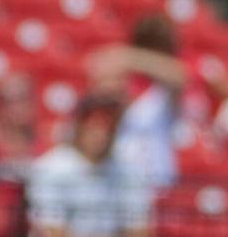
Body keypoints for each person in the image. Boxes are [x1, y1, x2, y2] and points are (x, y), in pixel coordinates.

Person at [27, 90, 153, 237]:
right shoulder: (50, 169)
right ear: (79, 126)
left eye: (108, 125)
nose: (101, 132)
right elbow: (52, 231)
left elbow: (138, 230)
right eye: (93, 124)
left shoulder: (130, 172)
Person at [88, 14, 189, 189]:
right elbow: (97, 69)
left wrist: (130, 57)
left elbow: (179, 76)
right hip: (117, 188)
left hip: (157, 186)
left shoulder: (159, 98)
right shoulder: (110, 104)